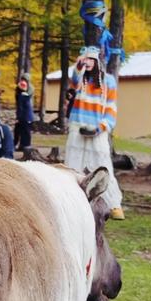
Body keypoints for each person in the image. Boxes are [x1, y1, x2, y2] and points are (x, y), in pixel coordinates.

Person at [64, 46, 124, 220]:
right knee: (73, 165)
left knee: (103, 164)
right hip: (77, 126)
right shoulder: (81, 78)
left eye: (91, 59)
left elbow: (111, 107)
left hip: (98, 130)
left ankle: (114, 204)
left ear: (98, 62)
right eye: (86, 58)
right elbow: (73, 82)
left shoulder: (109, 81)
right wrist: (78, 65)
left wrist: (102, 127)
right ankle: (71, 201)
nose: (88, 62)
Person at [15, 72, 34, 151]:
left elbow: (22, 106)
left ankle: (26, 146)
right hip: (23, 116)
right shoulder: (21, 94)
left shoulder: (26, 93)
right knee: (20, 131)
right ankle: (21, 145)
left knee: (26, 131)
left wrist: (19, 116)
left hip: (26, 116)